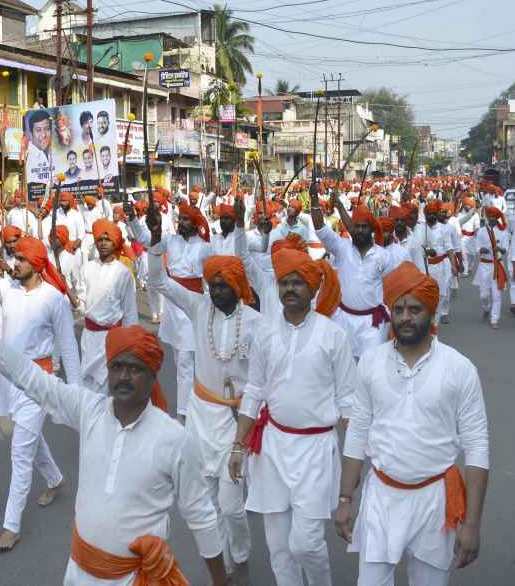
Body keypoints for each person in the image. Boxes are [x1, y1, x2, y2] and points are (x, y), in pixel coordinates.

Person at [0, 306, 227, 586]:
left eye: (135, 369)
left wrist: (219, 581)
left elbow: (201, 516)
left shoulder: (174, 439)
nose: (124, 376)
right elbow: (33, 380)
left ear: (152, 376)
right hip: (79, 572)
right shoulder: (90, 409)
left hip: (134, 578)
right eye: (117, 367)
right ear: (108, 371)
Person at [335, 261, 489, 585]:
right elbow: (358, 431)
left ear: (431, 312)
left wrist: (472, 523)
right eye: (399, 308)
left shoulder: (459, 369)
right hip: (380, 496)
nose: (406, 317)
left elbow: (477, 448)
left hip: (435, 502)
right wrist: (346, 499)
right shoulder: (371, 363)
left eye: (415, 309)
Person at [229, 248, 357, 586]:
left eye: (298, 283)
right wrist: (238, 446)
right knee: (279, 549)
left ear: (313, 289)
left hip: (315, 451)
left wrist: (357, 458)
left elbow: (348, 403)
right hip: (272, 448)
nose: (290, 289)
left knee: (307, 544)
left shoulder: (334, 336)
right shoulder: (265, 334)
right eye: (284, 282)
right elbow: (254, 391)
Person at [0, 236, 79, 553]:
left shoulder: (55, 299)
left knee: (20, 452)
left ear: (36, 264)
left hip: (39, 381)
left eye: (21, 258)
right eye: (14, 257)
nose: (14, 262)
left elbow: (69, 347)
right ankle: (54, 479)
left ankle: (11, 527)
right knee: (29, 437)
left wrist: (75, 392)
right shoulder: (4, 288)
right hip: (9, 378)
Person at [149, 246, 260, 584]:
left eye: (223, 285)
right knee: (207, 502)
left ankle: (240, 554)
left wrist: (249, 424)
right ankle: (221, 561)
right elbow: (158, 280)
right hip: (200, 417)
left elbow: (261, 381)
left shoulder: (256, 323)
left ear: (238, 286)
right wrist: (155, 245)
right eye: (211, 284)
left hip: (236, 421)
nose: (215, 291)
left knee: (230, 504)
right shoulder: (199, 307)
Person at [132, 201, 215, 420]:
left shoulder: (205, 246)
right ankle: (191, 405)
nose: (181, 223)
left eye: (186, 220)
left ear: (195, 223)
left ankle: (184, 413)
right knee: (181, 359)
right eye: (181, 219)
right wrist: (135, 221)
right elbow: (147, 241)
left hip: (194, 303)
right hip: (172, 302)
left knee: (188, 358)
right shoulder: (172, 241)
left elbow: (213, 274)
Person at [313, 196, 394, 358]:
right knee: (344, 366)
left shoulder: (384, 256)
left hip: (373, 324)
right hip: (343, 320)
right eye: (357, 227)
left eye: (364, 227)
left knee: (370, 368)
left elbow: (392, 289)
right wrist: (314, 200)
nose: (360, 230)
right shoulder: (342, 248)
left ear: (371, 230)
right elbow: (320, 227)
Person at [76, 219, 138, 394]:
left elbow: (130, 312)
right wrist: (75, 302)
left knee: (105, 387)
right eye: (100, 240)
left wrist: (131, 344)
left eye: (107, 239)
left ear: (115, 242)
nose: (103, 243)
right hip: (88, 337)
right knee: (86, 385)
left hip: (111, 339)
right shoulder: (87, 268)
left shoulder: (123, 273)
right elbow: (81, 302)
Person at [421, 201, 456, 325]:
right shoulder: (421, 228)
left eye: (432, 213)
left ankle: (435, 325)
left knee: (441, 295)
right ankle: (428, 321)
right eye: (428, 213)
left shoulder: (443, 229)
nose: (430, 216)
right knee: (425, 297)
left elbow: (450, 248)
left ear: (436, 214)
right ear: (425, 215)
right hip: (424, 267)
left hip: (441, 266)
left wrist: (454, 265)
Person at [473, 206, 508, 329]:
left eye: (494, 216)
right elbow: (476, 247)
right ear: (487, 217)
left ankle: (494, 318)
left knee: (497, 294)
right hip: (484, 266)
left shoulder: (503, 232)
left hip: (497, 265)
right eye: (490, 216)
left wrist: (500, 249)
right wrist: (480, 250)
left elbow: (505, 250)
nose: (492, 218)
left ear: (497, 217)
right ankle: (486, 308)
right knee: (484, 295)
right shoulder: (482, 231)